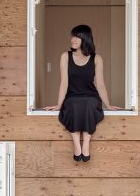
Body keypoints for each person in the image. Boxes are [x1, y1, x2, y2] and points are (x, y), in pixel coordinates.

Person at [44, 24, 111, 162]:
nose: (72, 39)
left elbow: (100, 84)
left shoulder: (97, 58)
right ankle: (76, 145)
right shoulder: (65, 56)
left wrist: (108, 105)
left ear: (85, 39)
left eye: (77, 37)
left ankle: (85, 144)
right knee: (73, 104)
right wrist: (58, 104)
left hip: (91, 96)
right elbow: (64, 83)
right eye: (72, 36)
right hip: (72, 96)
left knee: (89, 103)